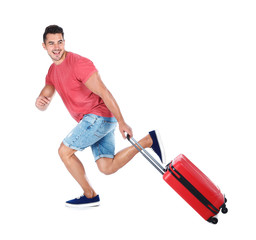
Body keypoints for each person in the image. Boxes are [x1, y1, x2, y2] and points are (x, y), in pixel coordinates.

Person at [35, 25, 165, 208]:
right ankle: (148, 140)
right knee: (106, 167)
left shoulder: (78, 63)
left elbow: (104, 91)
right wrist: (40, 102)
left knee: (64, 152)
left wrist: (122, 122)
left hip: (97, 117)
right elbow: (46, 94)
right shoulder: (52, 71)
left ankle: (90, 195)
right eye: (51, 43)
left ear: (64, 42)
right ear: (44, 46)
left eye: (60, 42)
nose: (56, 47)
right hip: (98, 120)